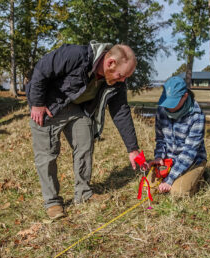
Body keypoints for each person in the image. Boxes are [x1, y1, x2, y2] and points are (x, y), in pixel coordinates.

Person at [26, 41, 140, 219]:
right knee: (46, 155)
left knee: (85, 143)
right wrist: (37, 103)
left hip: (78, 110)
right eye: (121, 75)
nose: (123, 80)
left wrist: (132, 149)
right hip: (49, 106)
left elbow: (121, 111)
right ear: (110, 63)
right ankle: (53, 202)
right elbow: (42, 69)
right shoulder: (76, 55)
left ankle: (83, 193)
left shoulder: (116, 83)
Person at [147, 76, 207, 197]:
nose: (168, 107)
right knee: (148, 189)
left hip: (192, 161)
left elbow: (189, 152)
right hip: (170, 160)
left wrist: (169, 179)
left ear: (185, 96)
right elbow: (160, 139)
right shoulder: (161, 110)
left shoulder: (197, 117)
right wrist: (159, 158)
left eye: (172, 102)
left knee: (177, 193)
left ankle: (201, 176)